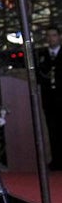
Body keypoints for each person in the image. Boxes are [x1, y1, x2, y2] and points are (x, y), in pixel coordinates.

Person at [36, 25, 62, 170]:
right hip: (49, 99)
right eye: (48, 36)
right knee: (52, 129)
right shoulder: (42, 55)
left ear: (59, 37)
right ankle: (56, 160)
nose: (51, 39)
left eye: (54, 35)